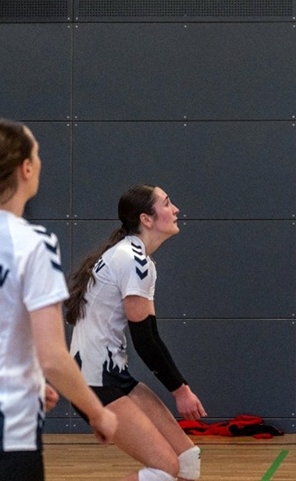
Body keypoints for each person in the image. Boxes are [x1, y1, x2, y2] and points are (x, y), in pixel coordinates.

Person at [0, 118, 117, 481]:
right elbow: (54, 357)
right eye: (38, 153)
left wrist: (22, 378)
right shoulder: (33, 243)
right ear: (26, 168)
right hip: (3, 440)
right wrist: (98, 413)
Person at [64, 185, 206, 481]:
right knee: (165, 469)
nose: (175, 209)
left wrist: (181, 387)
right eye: (167, 204)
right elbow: (145, 341)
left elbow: (149, 333)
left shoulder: (133, 256)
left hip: (113, 376)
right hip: (95, 381)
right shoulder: (133, 259)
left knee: (187, 460)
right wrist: (180, 391)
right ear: (147, 219)